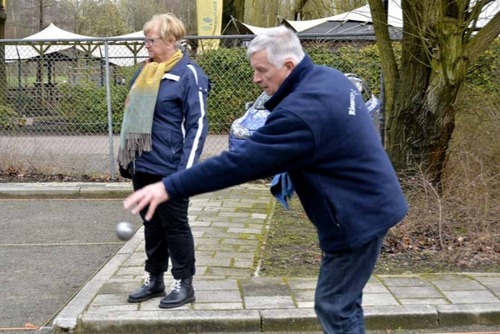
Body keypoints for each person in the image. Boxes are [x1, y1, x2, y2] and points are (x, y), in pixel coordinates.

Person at [123, 26, 407, 333]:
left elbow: (239, 163)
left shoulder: (302, 111)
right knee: (345, 302)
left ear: (288, 65)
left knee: (334, 305)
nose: (256, 79)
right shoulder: (328, 78)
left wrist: (169, 185)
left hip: (356, 216)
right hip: (371, 201)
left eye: (261, 70)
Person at [117, 13, 210, 309]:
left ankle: (184, 283)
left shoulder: (189, 74)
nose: (146, 45)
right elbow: (130, 115)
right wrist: (126, 156)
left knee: (176, 225)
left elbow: (198, 124)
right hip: (142, 164)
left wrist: (186, 170)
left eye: (151, 40)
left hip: (170, 168)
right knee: (151, 225)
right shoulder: (143, 72)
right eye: (145, 39)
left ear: (171, 41)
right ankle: (154, 278)